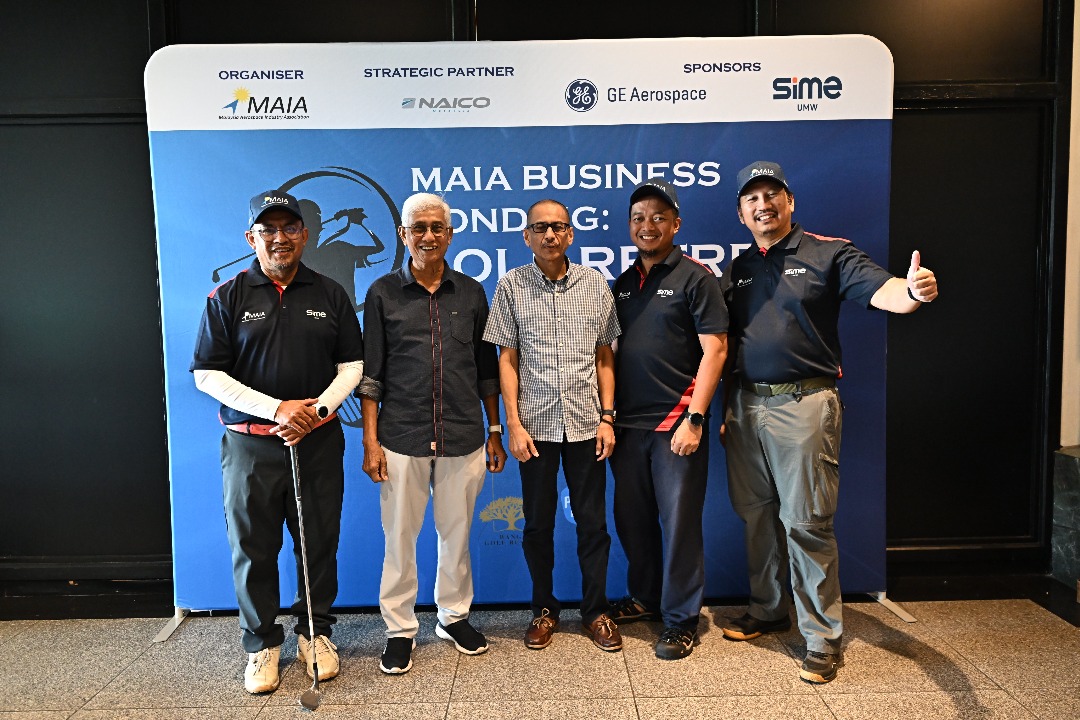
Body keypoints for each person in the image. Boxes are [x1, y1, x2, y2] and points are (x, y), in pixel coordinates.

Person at [719, 161, 939, 684]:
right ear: (741, 213)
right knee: (756, 516)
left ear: (790, 201)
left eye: (772, 195)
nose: (763, 205)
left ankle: (821, 637)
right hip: (745, 407)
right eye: (752, 199)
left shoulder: (828, 252)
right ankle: (768, 609)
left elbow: (884, 290)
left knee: (806, 522)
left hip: (804, 404)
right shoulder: (737, 268)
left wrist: (911, 293)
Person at [191, 190, 364, 694]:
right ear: (252, 238)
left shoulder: (330, 293)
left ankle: (315, 633)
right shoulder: (227, 296)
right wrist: (278, 409)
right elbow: (207, 374)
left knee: (318, 543)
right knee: (253, 547)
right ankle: (262, 643)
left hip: (317, 442)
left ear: (305, 235)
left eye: (290, 228)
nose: (279, 238)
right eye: (268, 229)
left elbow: (352, 365)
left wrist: (315, 413)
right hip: (251, 446)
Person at [358, 192, 506, 675]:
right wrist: (370, 441)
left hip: (464, 433)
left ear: (450, 233)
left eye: (436, 227)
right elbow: (371, 374)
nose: (428, 236)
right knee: (399, 538)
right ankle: (400, 629)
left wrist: (495, 429)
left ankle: (453, 617)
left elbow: (486, 370)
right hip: (401, 436)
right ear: (403, 234)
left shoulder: (472, 292)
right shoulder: (382, 293)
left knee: (457, 534)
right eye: (418, 228)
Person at [484, 199, 623, 653]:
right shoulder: (511, 285)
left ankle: (596, 611)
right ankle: (543, 610)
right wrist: (512, 424)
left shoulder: (594, 284)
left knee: (593, 525)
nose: (550, 235)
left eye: (558, 227)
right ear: (526, 236)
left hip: (586, 424)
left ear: (570, 234)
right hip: (536, 427)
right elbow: (507, 359)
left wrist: (607, 417)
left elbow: (605, 356)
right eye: (540, 227)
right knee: (538, 525)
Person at [607, 179, 729, 660]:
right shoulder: (622, 284)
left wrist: (695, 418)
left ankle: (681, 620)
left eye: (658, 217)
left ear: (676, 224)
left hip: (677, 423)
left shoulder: (697, 278)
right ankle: (645, 597)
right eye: (639, 218)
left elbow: (716, 351)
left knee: (679, 526)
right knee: (632, 519)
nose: (648, 225)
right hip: (626, 426)